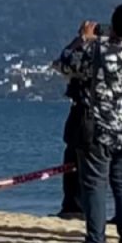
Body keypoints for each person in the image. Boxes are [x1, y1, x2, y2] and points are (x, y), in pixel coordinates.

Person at [52, 4, 122, 243]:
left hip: (100, 126)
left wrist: (82, 40)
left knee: (94, 183)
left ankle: (95, 240)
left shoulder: (97, 51)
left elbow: (63, 64)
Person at [50, 75, 86, 220]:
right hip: (83, 108)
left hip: (85, 112)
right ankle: (73, 205)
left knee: (77, 161)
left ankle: (76, 207)